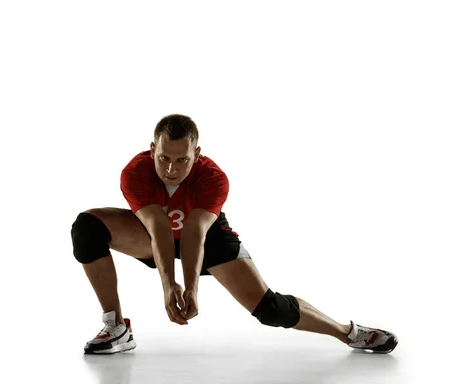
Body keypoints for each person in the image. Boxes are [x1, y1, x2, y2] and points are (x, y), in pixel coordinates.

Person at [71, 114, 398, 355]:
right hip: (154, 235)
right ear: (152, 148)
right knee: (87, 227)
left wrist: (192, 288)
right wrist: (170, 285)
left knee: (271, 309)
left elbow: (195, 234)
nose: (171, 169)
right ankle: (116, 328)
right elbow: (157, 227)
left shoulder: (213, 177)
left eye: (182, 160)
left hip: (208, 239)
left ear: (196, 154)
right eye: (164, 159)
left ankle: (348, 332)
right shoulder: (136, 171)